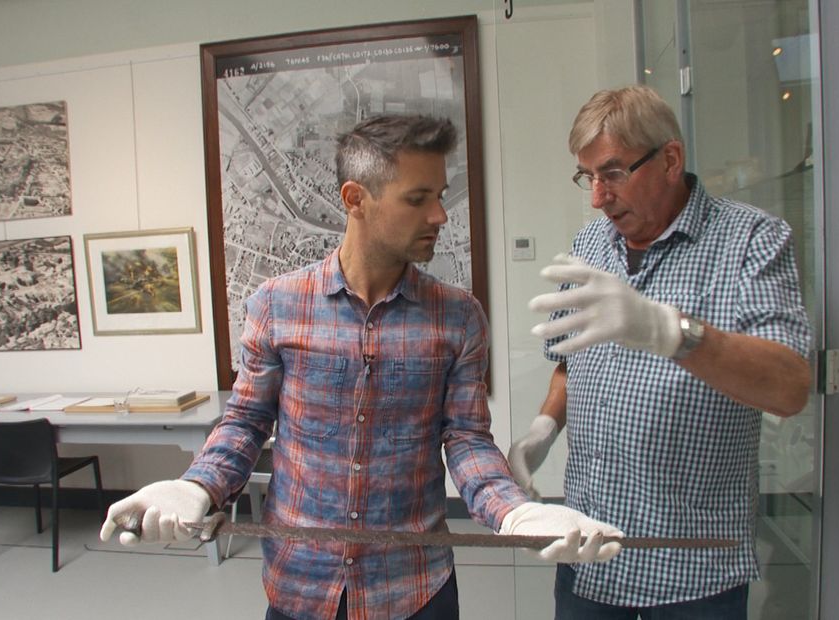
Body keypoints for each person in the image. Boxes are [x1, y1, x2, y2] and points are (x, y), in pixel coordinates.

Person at [100, 114, 623, 620]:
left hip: (414, 587)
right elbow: (246, 422)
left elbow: (466, 438)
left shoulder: (458, 316)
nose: (439, 215)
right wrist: (195, 486)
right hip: (301, 582)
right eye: (418, 199)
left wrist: (515, 510)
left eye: (439, 196)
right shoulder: (277, 305)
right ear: (356, 199)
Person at [508, 85, 813, 619]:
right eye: (588, 178)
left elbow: (789, 387)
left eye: (613, 173)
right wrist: (544, 430)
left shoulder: (751, 240)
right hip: (592, 558)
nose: (599, 197)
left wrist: (669, 331)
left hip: (692, 569)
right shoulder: (592, 243)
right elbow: (570, 360)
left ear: (670, 159)